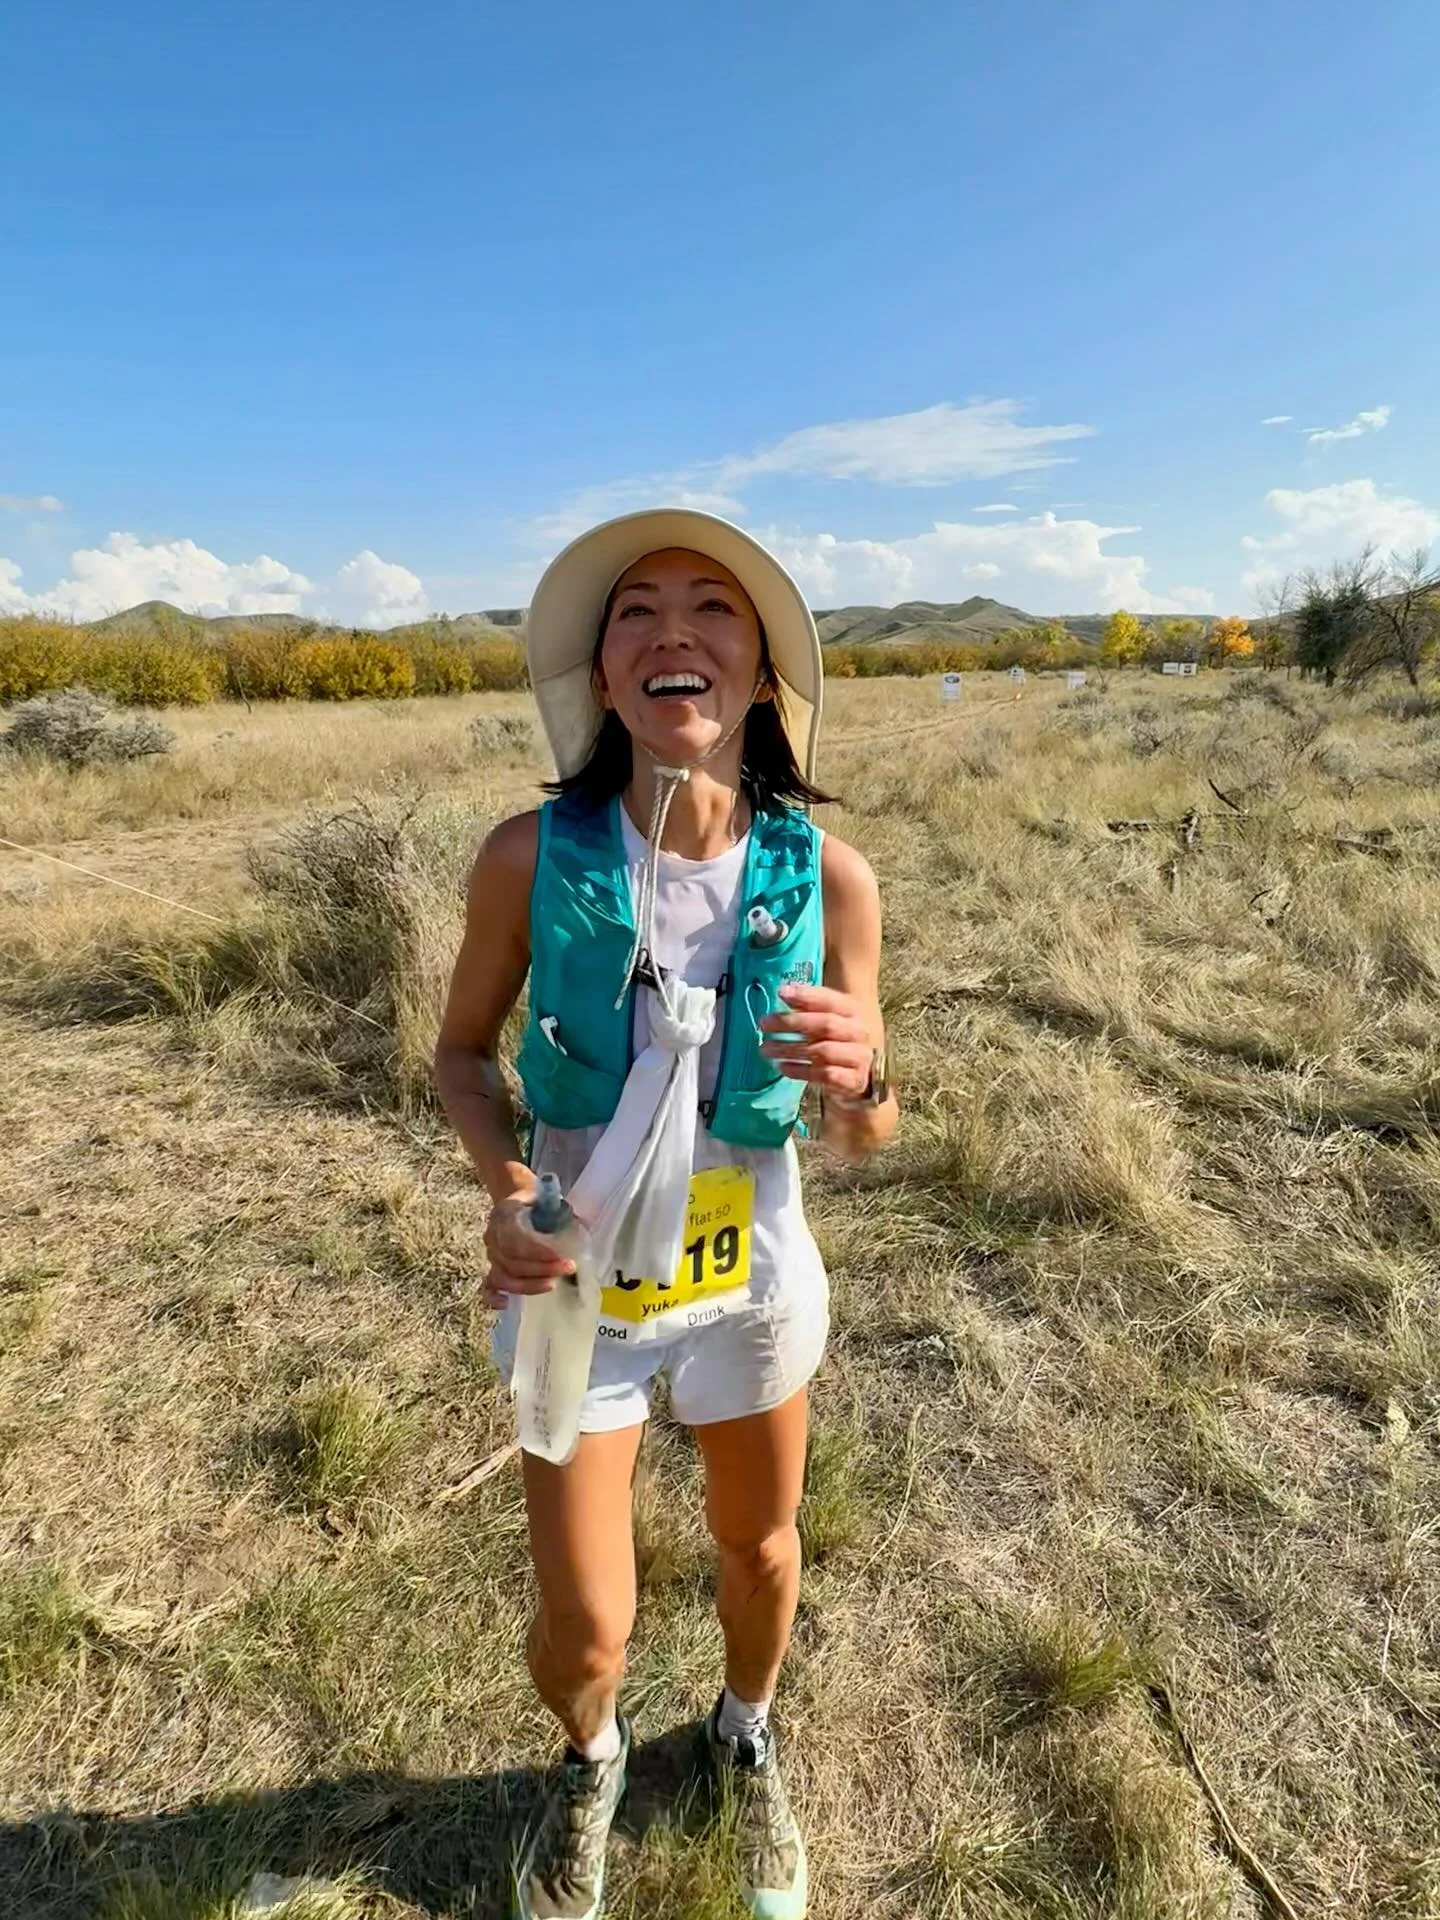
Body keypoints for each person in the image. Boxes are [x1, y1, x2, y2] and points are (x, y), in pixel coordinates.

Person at [434, 509, 898, 1920]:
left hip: (750, 1276)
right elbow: (460, 1059)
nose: (673, 631)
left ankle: (745, 1736)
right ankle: (591, 1757)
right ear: (603, 671)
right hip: (579, 1289)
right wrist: (508, 1189)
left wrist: (864, 1079)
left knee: (758, 1550)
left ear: (760, 676)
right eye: (637, 610)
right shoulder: (526, 857)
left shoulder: (827, 880)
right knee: (583, 1623)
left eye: (716, 611)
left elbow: (867, 1132)